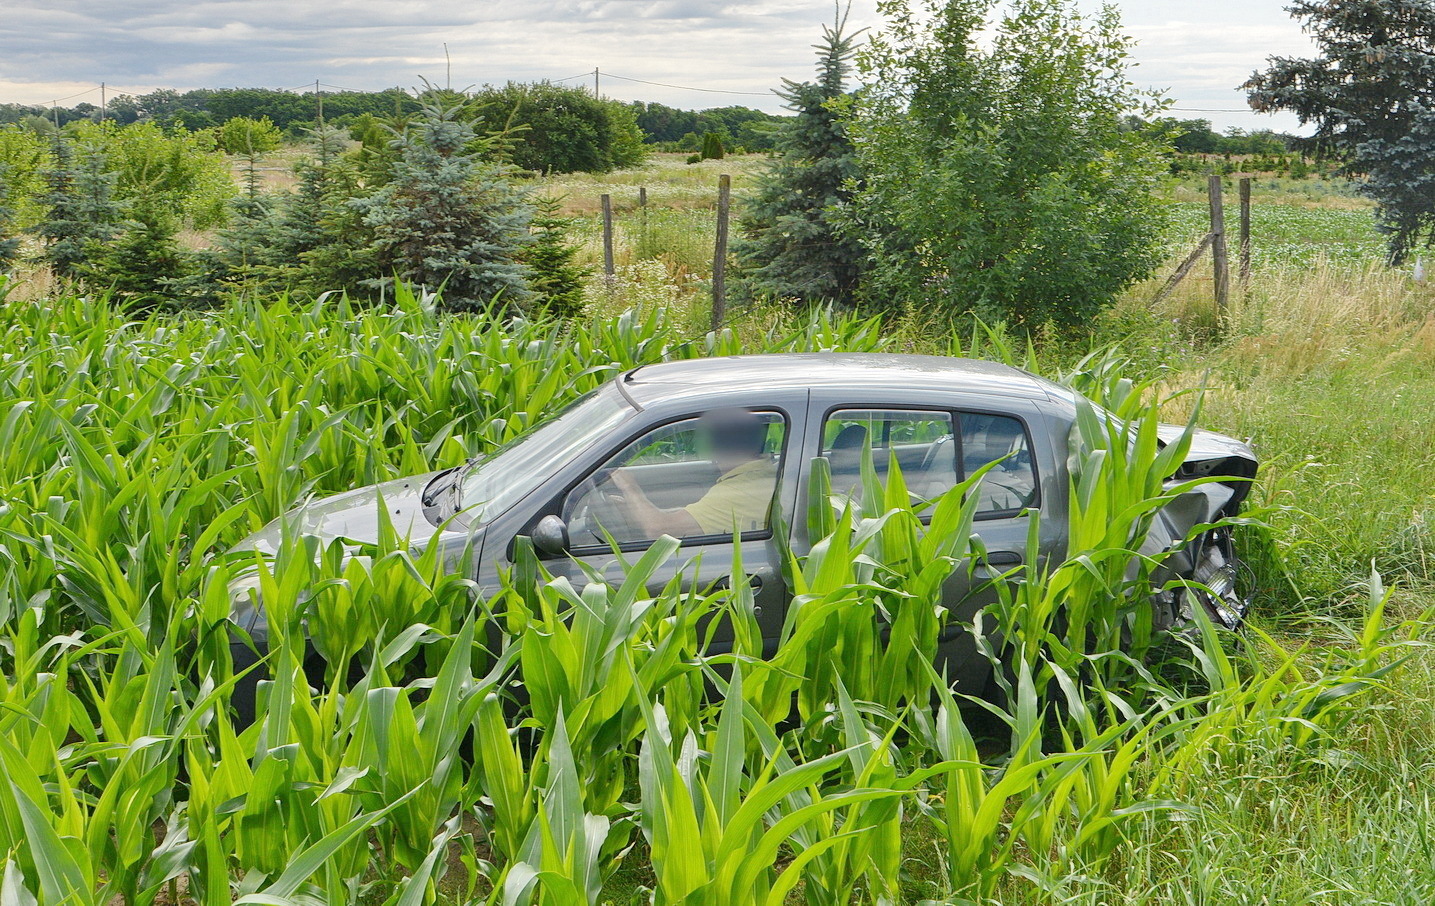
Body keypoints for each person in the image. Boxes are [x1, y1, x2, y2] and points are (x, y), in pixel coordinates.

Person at [609, 408, 777, 538]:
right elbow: (696, 515)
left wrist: (629, 488)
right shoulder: (759, 474)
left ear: (715, 447)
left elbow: (658, 529)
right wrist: (632, 509)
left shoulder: (738, 492)